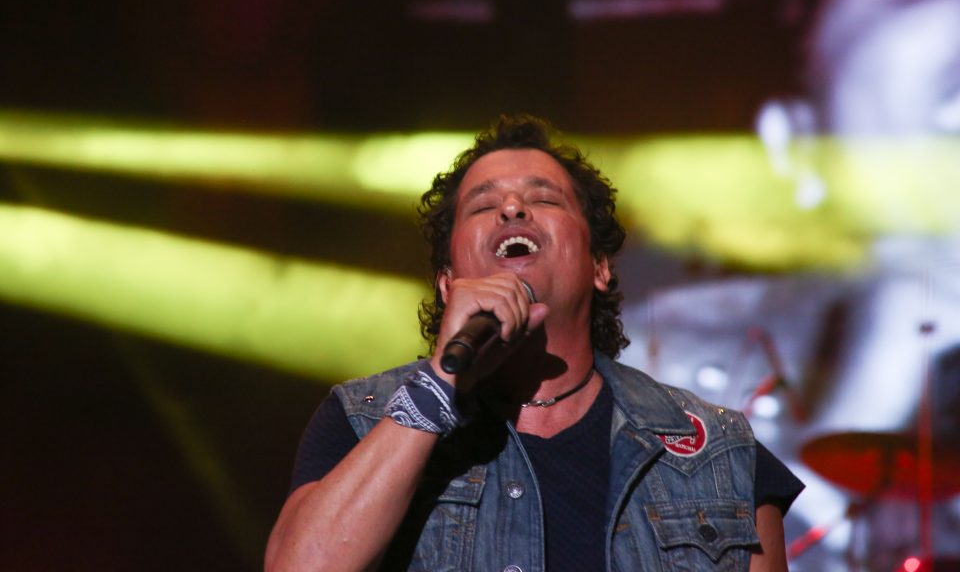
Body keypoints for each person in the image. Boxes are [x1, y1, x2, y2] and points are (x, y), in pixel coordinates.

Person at [264, 114, 803, 571]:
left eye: (544, 199)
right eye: (483, 206)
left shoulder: (717, 448)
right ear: (448, 284)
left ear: (599, 267)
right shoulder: (362, 419)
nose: (512, 210)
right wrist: (438, 387)